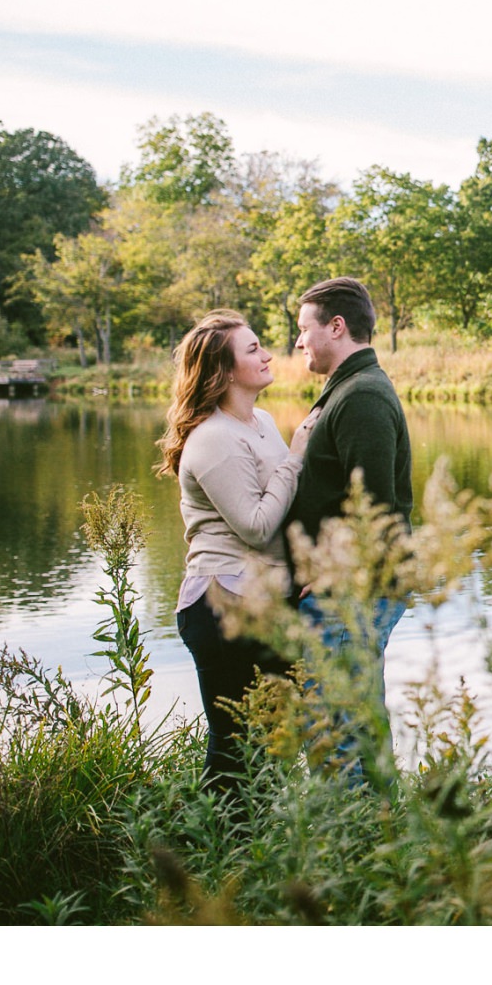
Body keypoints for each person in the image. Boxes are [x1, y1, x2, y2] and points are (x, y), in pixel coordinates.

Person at [155, 308, 318, 798]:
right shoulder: (213, 439)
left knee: (272, 746)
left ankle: (255, 858)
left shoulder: (261, 421)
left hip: (264, 602)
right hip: (224, 607)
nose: (267, 354)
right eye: (252, 349)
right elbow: (255, 525)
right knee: (234, 749)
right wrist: (296, 456)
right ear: (224, 372)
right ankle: (216, 857)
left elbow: (283, 512)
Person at [282, 276, 414, 779]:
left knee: (339, 739)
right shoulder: (347, 389)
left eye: (303, 329)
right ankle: (374, 842)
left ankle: (356, 849)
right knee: (349, 730)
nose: (298, 342)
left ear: (336, 328)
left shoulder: (361, 397)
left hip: (352, 594)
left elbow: (376, 506)